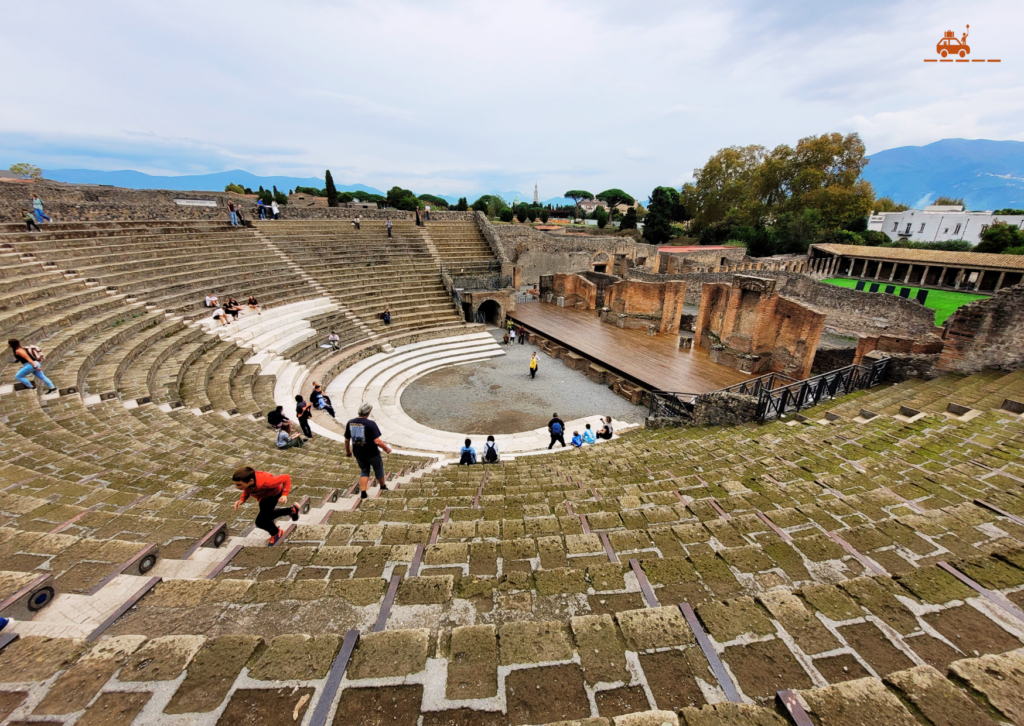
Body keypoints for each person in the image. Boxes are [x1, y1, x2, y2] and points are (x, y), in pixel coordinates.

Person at [231, 466, 299, 546]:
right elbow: (247, 489)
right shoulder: (249, 483)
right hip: (263, 497)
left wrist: (284, 495)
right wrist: (242, 499)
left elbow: (286, 477)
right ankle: (292, 510)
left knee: (260, 522)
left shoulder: (268, 482)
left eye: (239, 485)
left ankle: (277, 533)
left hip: (273, 495)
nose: (236, 487)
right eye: (235, 485)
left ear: (251, 481)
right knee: (267, 516)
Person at [345, 402, 393, 499]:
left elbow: (347, 440)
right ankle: (382, 486)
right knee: (378, 469)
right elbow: (377, 441)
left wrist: (348, 451)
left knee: (364, 470)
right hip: (372, 453)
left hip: (358, 453)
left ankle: (363, 492)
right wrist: (386, 449)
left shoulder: (350, 422)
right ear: (368, 412)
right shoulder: (370, 424)